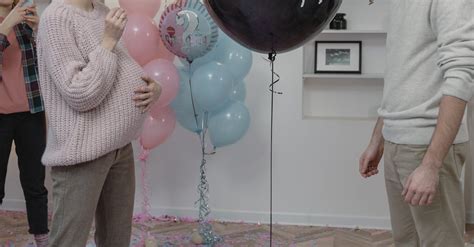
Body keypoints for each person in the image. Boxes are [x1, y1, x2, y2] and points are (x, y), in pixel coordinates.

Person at [36, 0, 161, 246]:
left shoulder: (101, 12)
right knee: (68, 240)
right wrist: (108, 40)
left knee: (116, 238)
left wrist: (152, 89)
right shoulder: (55, 18)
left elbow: (122, 66)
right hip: (82, 153)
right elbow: (80, 93)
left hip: (119, 147)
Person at [359, 0, 474, 246]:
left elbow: (462, 74)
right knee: (406, 241)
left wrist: (431, 164)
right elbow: (401, 77)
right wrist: (378, 138)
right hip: (395, 143)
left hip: (427, 146)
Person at [0, 0, 49, 246]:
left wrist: (42, 30)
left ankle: (42, 238)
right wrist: (5, 25)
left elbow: (49, 62)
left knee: (35, 183)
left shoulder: (25, 20)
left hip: (31, 112)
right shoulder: (11, 21)